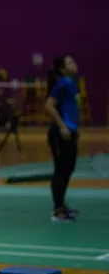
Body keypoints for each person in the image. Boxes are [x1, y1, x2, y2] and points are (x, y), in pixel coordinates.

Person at [45, 55, 80, 222]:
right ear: (62, 69)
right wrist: (62, 126)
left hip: (70, 132)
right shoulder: (63, 83)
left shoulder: (70, 83)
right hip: (60, 133)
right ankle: (57, 210)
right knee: (61, 170)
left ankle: (61, 205)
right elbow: (49, 105)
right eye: (70, 63)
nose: (75, 64)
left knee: (68, 169)